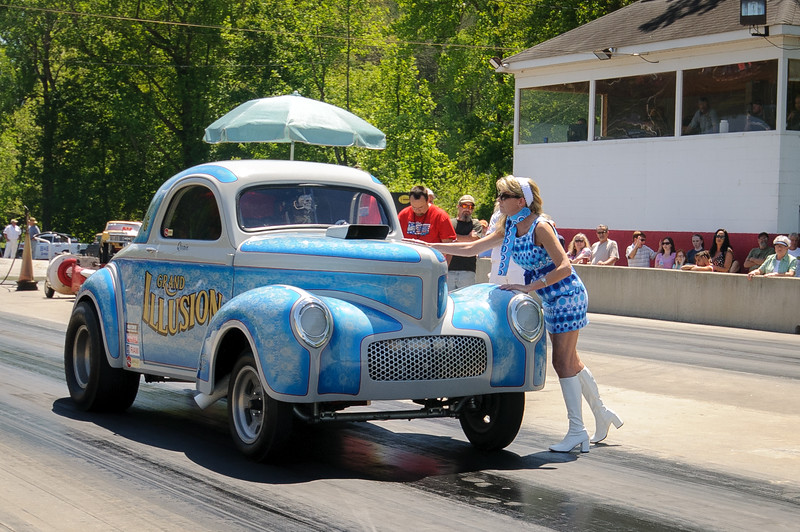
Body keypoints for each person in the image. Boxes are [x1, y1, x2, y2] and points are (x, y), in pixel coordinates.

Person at [427, 176, 622, 453]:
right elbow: (473, 248)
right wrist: (432, 246)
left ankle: (577, 430)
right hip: (550, 296)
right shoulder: (509, 229)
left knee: (562, 363)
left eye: (504, 196)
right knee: (571, 361)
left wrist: (530, 286)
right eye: (499, 196)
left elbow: (565, 266)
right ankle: (602, 414)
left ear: (521, 201)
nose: (499, 201)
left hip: (567, 294)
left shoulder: (540, 226)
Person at [448, 194, 484, 289]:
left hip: (468, 270)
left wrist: (455, 239)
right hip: (449, 269)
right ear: (458, 206)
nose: (467, 209)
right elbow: (447, 240)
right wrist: (468, 238)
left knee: (466, 300)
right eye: (464, 206)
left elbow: (475, 241)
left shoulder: (476, 224)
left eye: (471, 207)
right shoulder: (450, 223)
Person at [486, 205, 526, 284]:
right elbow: (490, 239)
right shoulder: (497, 216)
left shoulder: (525, 214)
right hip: (498, 262)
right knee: (497, 294)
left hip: (517, 264)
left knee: (518, 295)